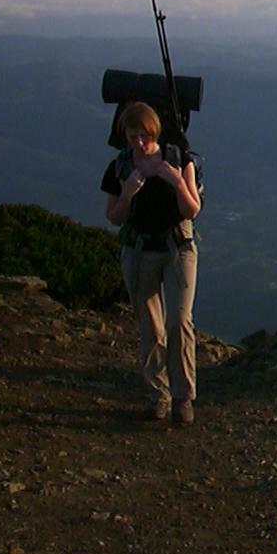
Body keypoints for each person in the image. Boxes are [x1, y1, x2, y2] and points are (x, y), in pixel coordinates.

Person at [101, 101, 203, 424]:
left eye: (144, 136)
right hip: (140, 249)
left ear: (154, 131)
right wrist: (128, 193)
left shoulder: (179, 160)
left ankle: (183, 398)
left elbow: (192, 210)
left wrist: (176, 181)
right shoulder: (120, 167)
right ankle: (159, 395)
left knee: (179, 321)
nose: (139, 143)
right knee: (151, 327)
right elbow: (114, 217)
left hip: (177, 247)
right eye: (133, 137)